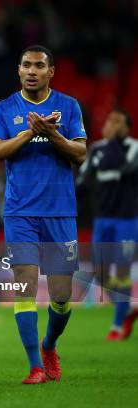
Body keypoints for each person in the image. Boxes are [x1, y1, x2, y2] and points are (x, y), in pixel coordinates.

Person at [0, 45, 87, 384]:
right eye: (26, 65)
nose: (32, 70)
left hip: (60, 212)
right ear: (18, 70)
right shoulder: (5, 109)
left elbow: (81, 153)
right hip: (20, 213)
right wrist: (30, 131)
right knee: (25, 286)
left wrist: (52, 132)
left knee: (60, 296)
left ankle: (49, 345)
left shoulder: (68, 106)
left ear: (50, 72)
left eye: (39, 66)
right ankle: (35, 367)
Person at [77, 108, 138, 340]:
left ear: (126, 128)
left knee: (122, 272)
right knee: (99, 272)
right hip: (102, 220)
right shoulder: (96, 150)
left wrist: (112, 144)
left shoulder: (133, 148)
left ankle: (117, 324)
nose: (111, 124)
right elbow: (84, 179)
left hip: (126, 220)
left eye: (117, 121)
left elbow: (128, 169)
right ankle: (128, 309)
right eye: (109, 120)